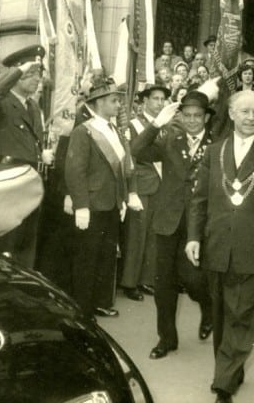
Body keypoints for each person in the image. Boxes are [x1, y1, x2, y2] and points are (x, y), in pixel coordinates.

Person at [184, 90, 254, 403]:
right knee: (221, 314)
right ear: (231, 114)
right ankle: (232, 367)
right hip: (217, 246)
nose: (249, 118)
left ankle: (224, 384)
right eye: (244, 111)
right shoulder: (215, 151)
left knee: (242, 314)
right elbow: (199, 200)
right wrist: (193, 237)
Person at [131, 91, 215, 359]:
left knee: (194, 277)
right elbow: (137, 150)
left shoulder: (217, 145)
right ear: (180, 117)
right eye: (186, 115)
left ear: (206, 118)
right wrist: (156, 124)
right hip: (168, 221)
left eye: (197, 116)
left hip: (200, 223)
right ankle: (166, 338)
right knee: (163, 282)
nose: (191, 121)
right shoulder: (170, 141)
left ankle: (209, 307)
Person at [65, 77, 142, 318]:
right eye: (114, 100)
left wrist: (125, 196)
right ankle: (83, 310)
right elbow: (74, 170)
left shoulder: (114, 130)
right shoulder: (84, 131)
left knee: (106, 257)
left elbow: (123, 167)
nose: (119, 104)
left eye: (119, 100)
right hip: (92, 205)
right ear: (98, 103)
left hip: (111, 204)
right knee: (87, 260)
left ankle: (99, 301)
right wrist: (81, 206)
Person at [0, 45, 53, 269]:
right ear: (16, 73)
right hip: (6, 178)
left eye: (39, 73)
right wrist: (20, 70)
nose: (36, 79)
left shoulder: (33, 107)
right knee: (5, 245)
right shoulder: (0, 102)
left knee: (26, 244)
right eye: (30, 74)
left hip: (29, 179)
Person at [120, 84, 171, 301]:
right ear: (144, 101)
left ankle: (146, 279)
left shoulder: (166, 126)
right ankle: (129, 282)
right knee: (136, 235)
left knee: (152, 235)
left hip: (159, 185)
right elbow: (132, 155)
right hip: (140, 185)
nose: (160, 103)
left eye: (163, 99)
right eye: (156, 99)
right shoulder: (133, 125)